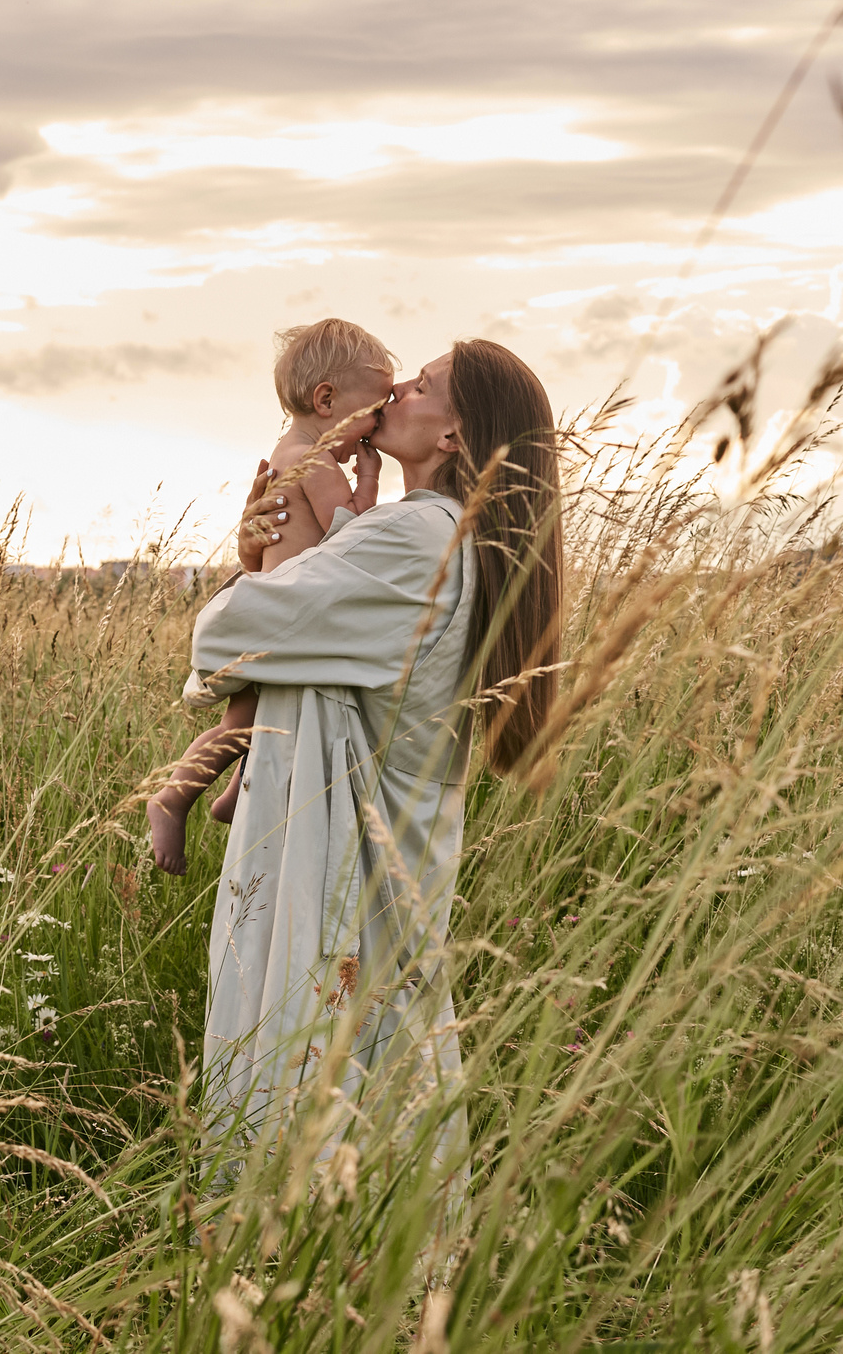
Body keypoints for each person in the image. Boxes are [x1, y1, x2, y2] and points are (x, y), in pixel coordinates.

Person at [185, 339, 566, 1173]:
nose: (397, 386)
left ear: (455, 437)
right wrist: (266, 558)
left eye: (423, 384)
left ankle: (300, 1279)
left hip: (346, 875)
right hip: (393, 863)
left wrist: (250, 566)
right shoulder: (441, 538)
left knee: (319, 1093)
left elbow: (224, 637)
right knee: (389, 1082)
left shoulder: (414, 538)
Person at [147, 319, 395, 875]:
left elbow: (262, 552)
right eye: (375, 410)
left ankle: (237, 790)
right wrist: (372, 480)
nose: (378, 427)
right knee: (245, 721)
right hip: (283, 618)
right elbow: (349, 531)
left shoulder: (288, 452)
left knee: (259, 715)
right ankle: (173, 797)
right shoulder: (316, 460)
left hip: (273, 604)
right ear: (326, 399)